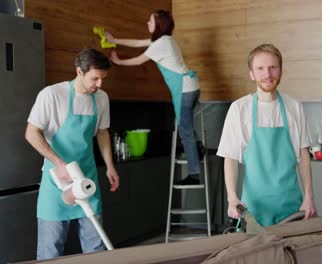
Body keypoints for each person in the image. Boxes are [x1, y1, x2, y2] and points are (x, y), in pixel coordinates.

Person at [25, 48, 120, 260]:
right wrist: (58, 163)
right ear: (79, 71)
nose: (100, 84)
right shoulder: (52, 95)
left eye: (103, 79)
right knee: (50, 250)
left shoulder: (101, 98)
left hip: (87, 179)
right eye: (95, 78)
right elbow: (31, 133)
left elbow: (102, 132)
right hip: (57, 182)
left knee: (96, 247)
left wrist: (110, 166)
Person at [217, 44, 317, 227]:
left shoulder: (294, 107)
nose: (267, 74)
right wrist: (232, 198)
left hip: (292, 209)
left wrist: (309, 197)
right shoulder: (239, 109)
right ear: (251, 74)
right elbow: (230, 158)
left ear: (281, 71)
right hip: (253, 212)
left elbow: (304, 157)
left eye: (273, 67)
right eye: (260, 68)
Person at [105, 9, 202, 185]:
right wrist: (115, 40)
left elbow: (139, 60)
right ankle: (198, 149)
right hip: (191, 86)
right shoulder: (165, 40)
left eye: (150, 21)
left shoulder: (160, 44)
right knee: (186, 126)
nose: (147, 23)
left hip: (184, 89)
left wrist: (119, 62)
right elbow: (138, 43)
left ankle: (194, 175)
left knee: (185, 131)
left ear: (158, 25)